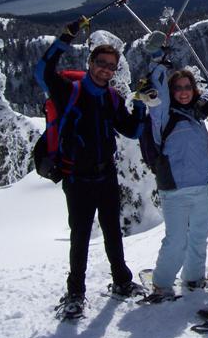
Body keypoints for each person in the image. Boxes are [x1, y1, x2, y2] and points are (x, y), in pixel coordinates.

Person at [36, 19, 147, 319]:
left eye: (111, 66)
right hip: (78, 178)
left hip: (106, 174)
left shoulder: (111, 97)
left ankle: (122, 281)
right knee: (81, 236)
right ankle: (75, 293)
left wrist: (139, 103)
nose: (106, 70)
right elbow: (41, 71)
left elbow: (132, 131)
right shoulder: (68, 91)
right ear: (91, 63)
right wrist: (65, 36)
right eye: (101, 64)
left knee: (113, 231)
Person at [143, 49, 208, 301]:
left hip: (202, 186)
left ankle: (193, 277)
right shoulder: (163, 116)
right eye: (178, 87)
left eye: (187, 87)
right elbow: (157, 94)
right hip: (175, 190)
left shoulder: (196, 115)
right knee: (177, 240)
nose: (183, 91)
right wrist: (158, 66)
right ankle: (162, 283)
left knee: (199, 236)